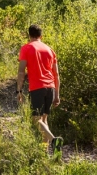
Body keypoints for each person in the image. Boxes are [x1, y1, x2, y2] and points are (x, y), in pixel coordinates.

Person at [17, 24, 63, 157]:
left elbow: (21, 72)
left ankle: (54, 140)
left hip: (37, 87)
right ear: (41, 36)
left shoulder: (26, 48)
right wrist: (57, 95)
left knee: (36, 120)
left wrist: (19, 91)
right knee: (44, 120)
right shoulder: (50, 50)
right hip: (51, 87)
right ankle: (45, 154)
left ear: (29, 35)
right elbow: (56, 74)